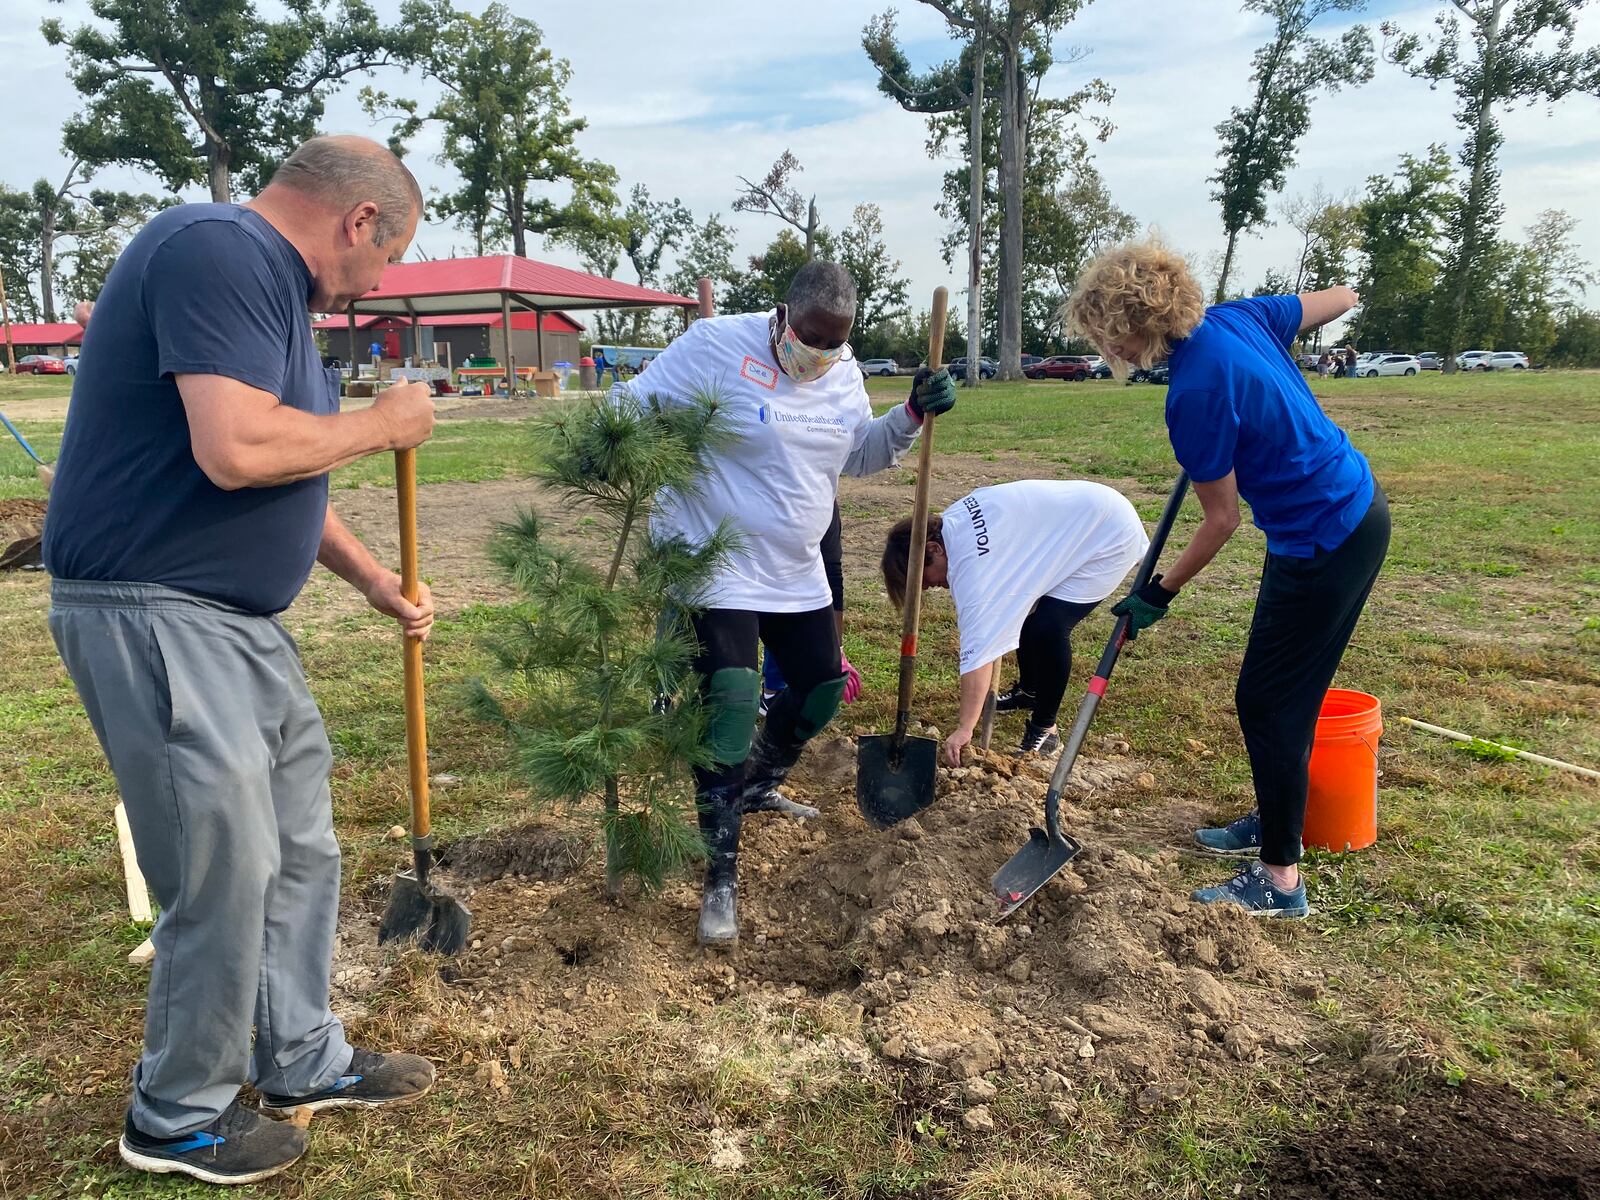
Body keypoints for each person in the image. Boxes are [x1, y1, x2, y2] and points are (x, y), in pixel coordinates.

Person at [43, 136, 440, 1185]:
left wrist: (371, 583)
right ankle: (176, 1114)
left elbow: (282, 474)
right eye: (388, 257)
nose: (378, 283)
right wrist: (381, 424)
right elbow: (237, 449)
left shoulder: (269, 298)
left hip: (237, 623)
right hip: (156, 613)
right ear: (359, 221)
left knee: (300, 848)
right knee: (219, 868)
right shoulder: (217, 249)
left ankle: (300, 1057)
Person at [619, 260, 956, 947]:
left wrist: (913, 415)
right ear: (782, 315)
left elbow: (859, 455)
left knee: (823, 689)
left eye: (835, 342)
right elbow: (631, 407)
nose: (822, 353)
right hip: (714, 560)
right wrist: (611, 448)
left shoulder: (844, 373)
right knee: (734, 698)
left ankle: (749, 786)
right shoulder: (716, 345)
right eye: (812, 337)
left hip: (794, 569)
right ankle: (720, 874)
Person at [1066, 240, 1390, 919]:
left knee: (1267, 702)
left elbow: (1220, 521)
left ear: (1133, 324)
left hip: (1323, 538)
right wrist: (1352, 292)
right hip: (1353, 511)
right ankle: (1280, 820)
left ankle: (1280, 880)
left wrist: (1158, 592)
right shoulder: (1240, 318)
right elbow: (1336, 301)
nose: (1106, 350)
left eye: (1105, 334)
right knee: (1286, 696)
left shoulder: (1195, 393)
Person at [880, 480, 1148, 763]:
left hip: (1108, 535)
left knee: (1048, 627)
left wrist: (965, 728)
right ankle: (1029, 692)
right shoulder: (951, 522)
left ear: (934, 549)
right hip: (1080, 512)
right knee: (1024, 611)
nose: (933, 586)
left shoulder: (975, 575)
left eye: (928, 580)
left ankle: (1045, 728)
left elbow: (979, 655)